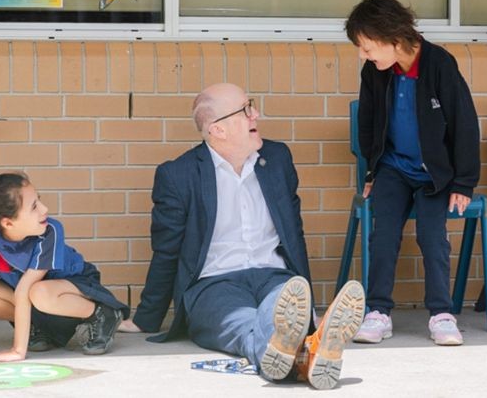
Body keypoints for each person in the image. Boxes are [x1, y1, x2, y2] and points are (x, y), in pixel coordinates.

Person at [117, 82, 365, 389]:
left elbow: (294, 233)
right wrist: (147, 317)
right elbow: (166, 250)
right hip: (213, 283)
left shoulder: (277, 159)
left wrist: (307, 297)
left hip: (275, 276)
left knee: (283, 313)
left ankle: (294, 351)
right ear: (218, 130)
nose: (256, 114)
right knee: (242, 322)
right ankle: (309, 352)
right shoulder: (179, 175)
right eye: (246, 109)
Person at [344, 0, 480, 346]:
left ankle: (441, 313)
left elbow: (465, 124)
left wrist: (463, 183)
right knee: (384, 234)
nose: (364, 55)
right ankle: (378, 312)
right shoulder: (374, 71)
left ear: (393, 37)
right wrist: (372, 173)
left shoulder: (439, 64)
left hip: (435, 176)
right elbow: (370, 126)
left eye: (367, 46)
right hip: (393, 169)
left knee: (431, 237)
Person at [0, 172, 129, 362]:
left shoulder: (50, 230)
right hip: (40, 301)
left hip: (78, 288)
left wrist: (17, 351)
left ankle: (103, 315)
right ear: (8, 223)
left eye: (39, 200)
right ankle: (38, 329)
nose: (44, 209)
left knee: (37, 291)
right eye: (34, 206)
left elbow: (25, 289)